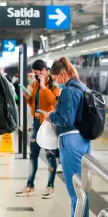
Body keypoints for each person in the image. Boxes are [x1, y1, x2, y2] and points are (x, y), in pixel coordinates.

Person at [44, 57, 90, 217]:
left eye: (56, 77)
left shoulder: (69, 90)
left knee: (75, 192)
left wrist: (52, 116)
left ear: (63, 73)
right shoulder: (82, 86)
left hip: (71, 141)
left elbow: (66, 119)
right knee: (82, 189)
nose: (56, 81)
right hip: (83, 140)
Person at [15, 59, 61, 199]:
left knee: (50, 156)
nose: (35, 76)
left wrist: (43, 86)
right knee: (33, 155)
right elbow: (34, 104)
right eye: (34, 74)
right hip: (36, 123)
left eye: (37, 73)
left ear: (44, 70)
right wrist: (28, 97)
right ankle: (30, 186)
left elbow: (53, 103)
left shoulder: (54, 86)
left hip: (47, 124)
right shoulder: (34, 85)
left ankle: (50, 187)